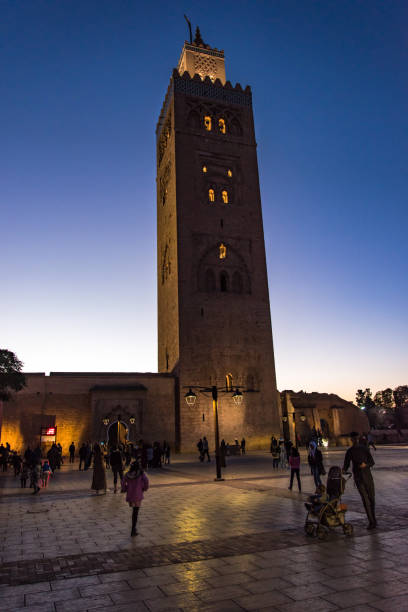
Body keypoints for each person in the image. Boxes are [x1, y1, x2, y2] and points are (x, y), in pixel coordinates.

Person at [343, 431, 377, 529]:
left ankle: (373, 519)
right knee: (365, 500)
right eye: (353, 439)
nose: (355, 440)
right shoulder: (349, 451)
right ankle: (371, 521)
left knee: (371, 499)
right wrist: (343, 470)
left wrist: (365, 465)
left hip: (367, 477)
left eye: (356, 439)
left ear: (358, 439)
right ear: (351, 440)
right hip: (358, 478)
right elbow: (346, 464)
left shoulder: (364, 449)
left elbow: (372, 462)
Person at [121, 459, 149, 537]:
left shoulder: (127, 474)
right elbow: (146, 481)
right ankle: (133, 529)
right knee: (136, 511)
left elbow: (123, 482)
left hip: (130, 494)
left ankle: (134, 528)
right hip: (138, 494)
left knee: (134, 511)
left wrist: (125, 488)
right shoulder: (141, 474)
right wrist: (144, 488)